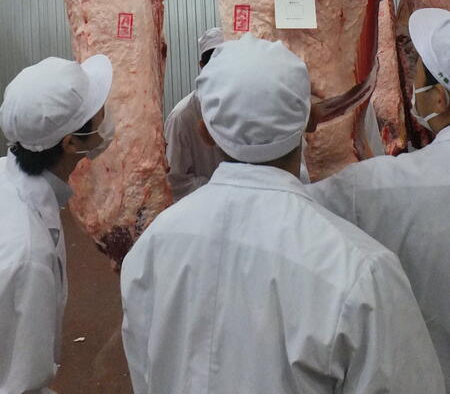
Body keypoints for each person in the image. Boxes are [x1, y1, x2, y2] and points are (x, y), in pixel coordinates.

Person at [121, 34, 444, 394]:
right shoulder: (360, 269)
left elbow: (145, 372)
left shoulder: (150, 249)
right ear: (311, 123)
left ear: (205, 133)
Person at [308, 7, 450, 389]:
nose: (412, 81)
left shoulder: (379, 187)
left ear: (439, 99)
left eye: (418, 73)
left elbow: (290, 210)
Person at [0, 54, 113, 394]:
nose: (107, 113)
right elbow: (21, 385)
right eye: (98, 109)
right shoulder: (29, 255)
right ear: (70, 143)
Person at [164, 27, 224, 201]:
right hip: (203, 208)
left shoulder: (243, 107)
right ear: (202, 66)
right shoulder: (182, 116)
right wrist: (220, 190)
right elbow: (174, 181)